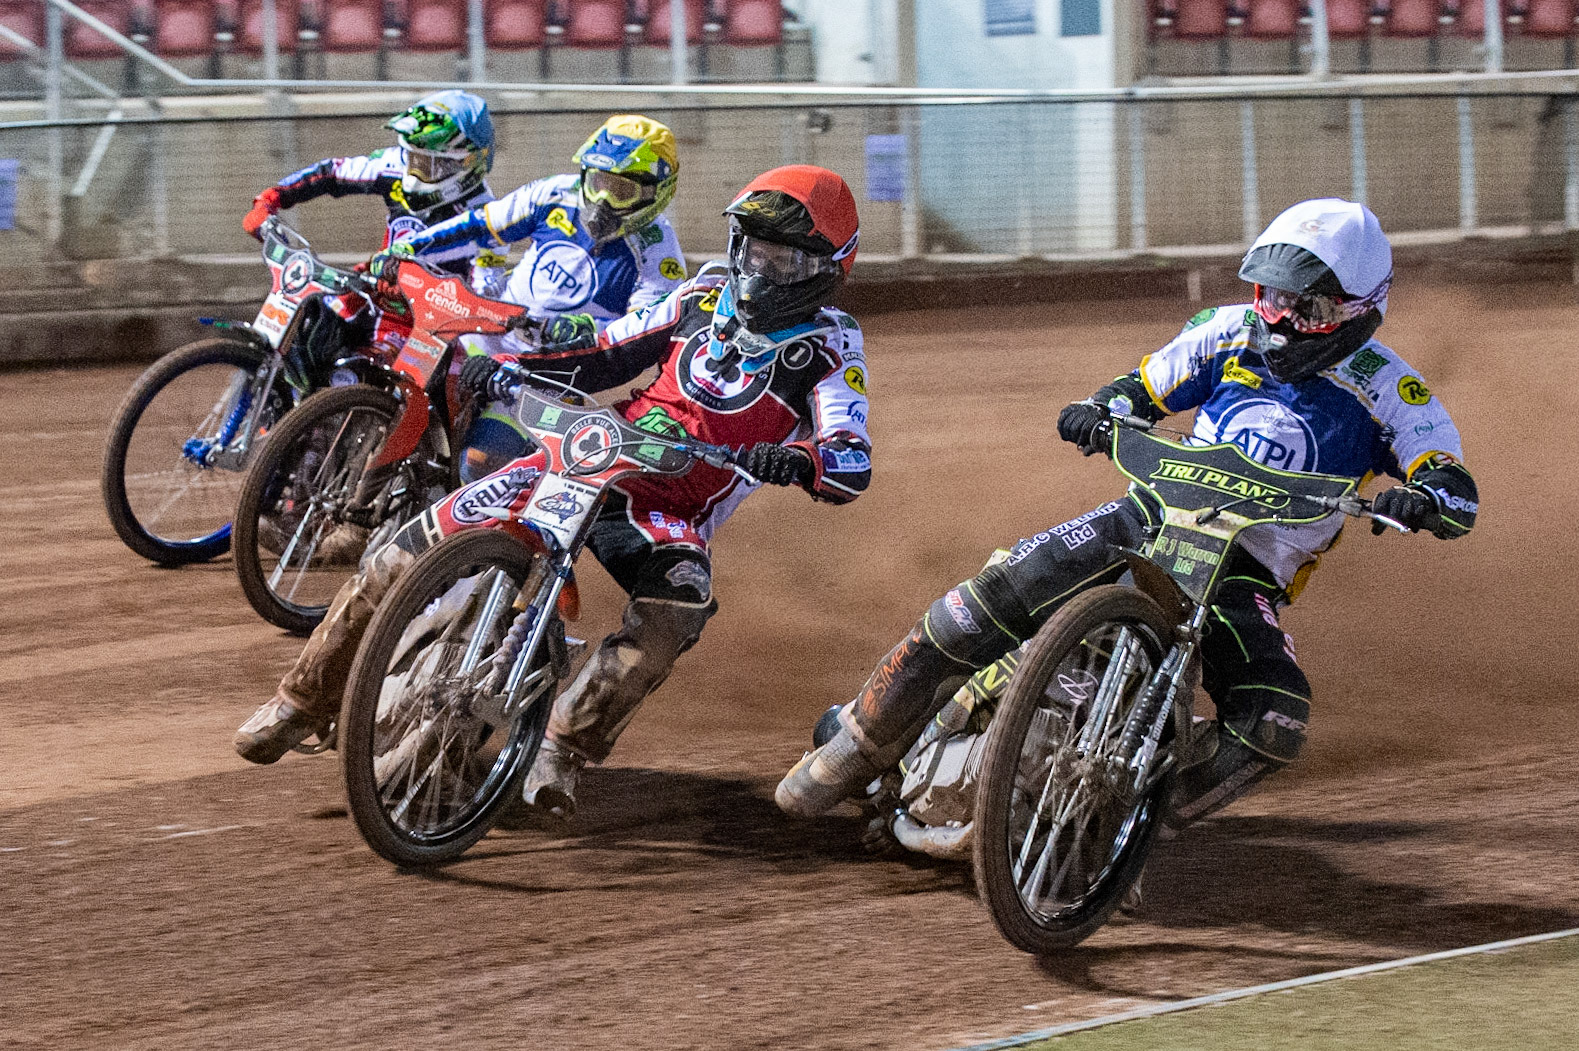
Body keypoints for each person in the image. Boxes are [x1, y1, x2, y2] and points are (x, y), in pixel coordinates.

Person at [775, 198, 1479, 830]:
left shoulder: (1391, 389)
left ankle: (1133, 823)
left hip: (1244, 574)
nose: (1284, 321)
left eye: (1311, 309)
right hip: (1148, 518)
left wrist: (1425, 498)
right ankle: (859, 738)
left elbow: (1449, 477)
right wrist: (1098, 409)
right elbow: (1139, 388)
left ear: (1362, 309)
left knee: (1273, 719)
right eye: (1272, 298)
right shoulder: (1226, 331)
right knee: (982, 600)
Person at [235, 166, 873, 832]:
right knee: (406, 548)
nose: (761, 269)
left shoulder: (831, 347)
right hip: (594, 452)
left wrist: (799, 459)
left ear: (825, 269)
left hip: (669, 508)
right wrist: (507, 368)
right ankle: (300, 700)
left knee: (676, 609)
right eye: (755, 249)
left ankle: (563, 745)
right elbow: (605, 352)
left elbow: (850, 455)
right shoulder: (703, 294)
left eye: (782, 258)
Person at [380, 114, 688, 483]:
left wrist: (588, 327)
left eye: (621, 191)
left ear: (656, 192)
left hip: (546, 374)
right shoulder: (554, 193)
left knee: (477, 462)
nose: (602, 200)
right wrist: (410, 248)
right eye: (598, 183)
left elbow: (642, 336)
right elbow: (481, 225)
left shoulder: (659, 253)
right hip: (484, 333)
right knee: (396, 396)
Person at [241, 91, 506, 376]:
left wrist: (422, 288)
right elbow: (332, 173)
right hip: (369, 291)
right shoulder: (395, 166)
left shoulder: (490, 219)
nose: (414, 170)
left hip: (422, 326)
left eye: (428, 163)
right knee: (302, 331)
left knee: (356, 376)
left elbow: (484, 299)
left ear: (463, 163)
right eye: (412, 156)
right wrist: (271, 198)